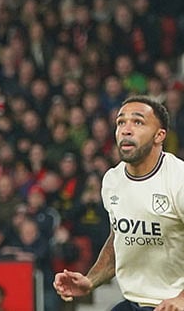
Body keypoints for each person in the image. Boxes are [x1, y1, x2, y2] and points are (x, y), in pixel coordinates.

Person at [53, 96, 184, 309]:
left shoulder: (179, 180)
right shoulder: (113, 180)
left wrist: (181, 298)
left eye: (138, 122)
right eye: (121, 122)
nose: (126, 129)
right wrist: (90, 280)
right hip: (133, 304)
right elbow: (119, 238)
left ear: (159, 135)